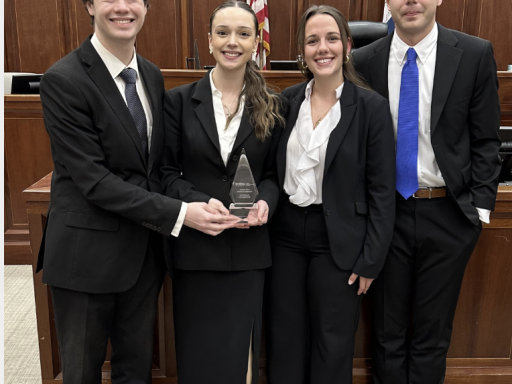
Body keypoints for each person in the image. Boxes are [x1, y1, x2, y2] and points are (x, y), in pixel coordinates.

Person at [37, 0, 235, 382]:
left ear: (146, 7)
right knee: (81, 373)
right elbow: (94, 181)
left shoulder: (150, 74)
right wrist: (180, 214)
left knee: (136, 370)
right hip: (86, 257)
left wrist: (195, 198)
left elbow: (155, 168)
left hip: (142, 254)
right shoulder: (63, 79)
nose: (123, 7)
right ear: (90, 5)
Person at [352, 0, 502, 383]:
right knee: (387, 335)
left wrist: (479, 211)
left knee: (431, 337)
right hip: (387, 214)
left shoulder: (473, 53)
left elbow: (486, 141)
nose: (411, 0)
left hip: (448, 215)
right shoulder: (365, 59)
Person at [266, 5, 396, 384]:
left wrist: (371, 259)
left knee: (332, 341)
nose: (322, 48)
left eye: (331, 38)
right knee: (285, 338)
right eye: (312, 41)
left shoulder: (371, 108)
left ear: (348, 45)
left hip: (339, 242)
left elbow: (382, 191)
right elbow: (272, 171)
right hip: (285, 238)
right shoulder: (286, 102)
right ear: (302, 51)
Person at [160, 1, 286, 383]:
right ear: (210, 40)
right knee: (199, 357)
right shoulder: (178, 101)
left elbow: (274, 176)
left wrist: (266, 201)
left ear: (256, 43)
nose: (233, 42)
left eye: (243, 34)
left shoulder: (274, 104)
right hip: (196, 250)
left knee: (240, 359)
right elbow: (166, 174)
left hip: (248, 252)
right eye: (223, 33)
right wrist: (197, 203)